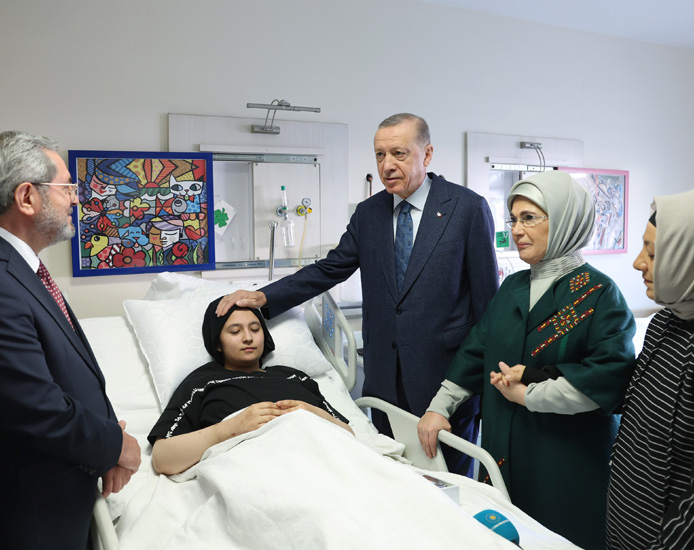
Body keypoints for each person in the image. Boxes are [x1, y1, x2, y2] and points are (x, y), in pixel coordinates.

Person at [216, 113, 499, 474]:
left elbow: (488, 310)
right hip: (384, 382)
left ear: (427, 155)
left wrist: (480, 390)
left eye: (398, 153)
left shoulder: (466, 209)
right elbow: (330, 268)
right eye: (380, 155)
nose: (387, 165)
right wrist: (265, 297)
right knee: (392, 479)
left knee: (453, 488)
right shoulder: (369, 214)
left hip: (443, 381)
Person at [0, 131, 141, 549]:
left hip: (57, 502)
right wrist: (116, 446)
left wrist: (104, 441)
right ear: (26, 197)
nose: (75, 198)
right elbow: (36, 409)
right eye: (66, 187)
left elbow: (70, 371)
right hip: (20, 521)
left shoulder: (14, 270)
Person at [417, 170, 636, 550]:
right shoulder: (513, 287)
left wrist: (528, 396)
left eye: (529, 218)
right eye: (514, 219)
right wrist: (439, 408)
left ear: (565, 221)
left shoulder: (600, 294)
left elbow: (608, 378)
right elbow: (476, 350)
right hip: (502, 450)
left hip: (565, 461)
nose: (517, 230)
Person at [606, 185, 694, 550]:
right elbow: (637, 405)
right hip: (627, 528)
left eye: (653, 253)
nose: (638, 263)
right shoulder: (668, 320)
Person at [149, 296, 352, 474]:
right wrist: (231, 428)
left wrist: (313, 413)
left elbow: (349, 437)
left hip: (319, 462)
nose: (248, 338)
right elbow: (162, 458)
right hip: (252, 470)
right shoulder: (201, 383)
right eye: (235, 331)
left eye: (255, 329)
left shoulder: (294, 377)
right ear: (217, 343)